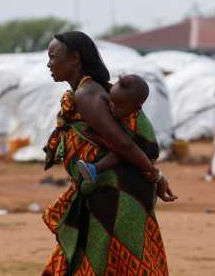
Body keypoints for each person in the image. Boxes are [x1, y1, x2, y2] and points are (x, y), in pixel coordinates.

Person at [42, 31, 176, 276]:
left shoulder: (87, 94)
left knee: (106, 262)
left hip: (113, 193)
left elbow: (122, 144)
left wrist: (155, 176)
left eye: (53, 57)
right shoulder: (89, 91)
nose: (48, 63)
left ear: (74, 58)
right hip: (108, 191)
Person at [77, 74, 158, 183]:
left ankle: (94, 169)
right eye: (111, 101)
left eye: (118, 105)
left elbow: (125, 145)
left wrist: (151, 169)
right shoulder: (115, 108)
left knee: (120, 151)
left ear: (136, 108)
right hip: (124, 148)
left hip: (139, 151)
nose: (112, 107)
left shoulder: (137, 124)